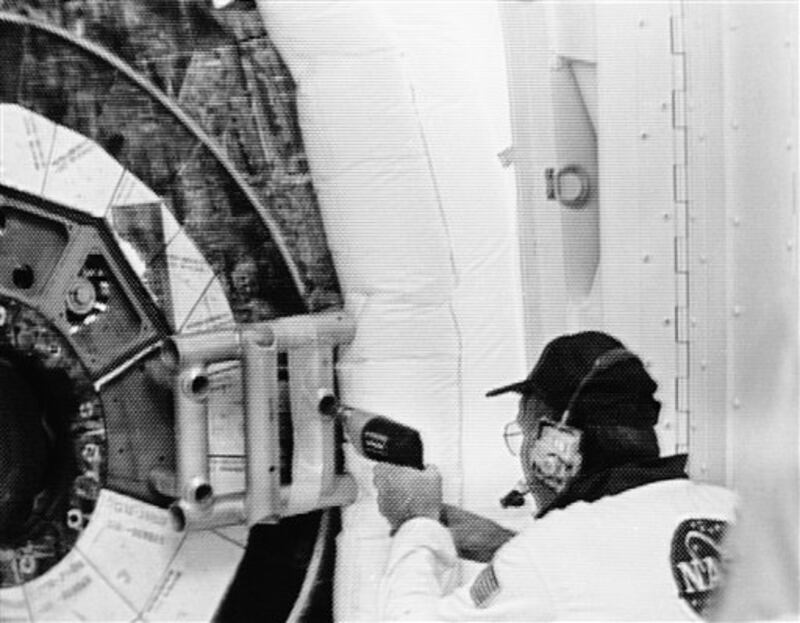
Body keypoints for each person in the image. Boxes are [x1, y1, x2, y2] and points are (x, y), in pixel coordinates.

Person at [373, 331, 737, 621]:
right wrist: (510, 547)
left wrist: (417, 524)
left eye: (525, 432)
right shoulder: (733, 509)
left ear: (556, 448)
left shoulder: (548, 556)